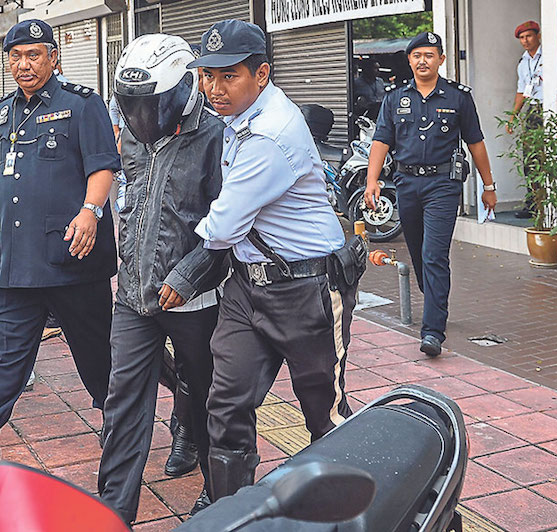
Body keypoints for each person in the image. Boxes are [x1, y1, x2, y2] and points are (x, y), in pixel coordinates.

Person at [189, 20, 360, 502]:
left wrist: (182, 275)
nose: (214, 89)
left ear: (261, 75)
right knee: (226, 401)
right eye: (208, 76)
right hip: (247, 288)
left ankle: (344, 507)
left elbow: (222, 228)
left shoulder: (270, 133)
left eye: (229, 76)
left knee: (322, 412)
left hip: (307, 291)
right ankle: (230, 507)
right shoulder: (235, 119)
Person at [0, 19, 120, 462]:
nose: (23, 64)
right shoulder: (4, 110)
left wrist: (91, 211)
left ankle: (117, 422)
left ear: (53, 56)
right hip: (17, 262)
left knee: (96, 352)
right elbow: (1, 180)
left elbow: (103, 165)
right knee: (4, 355)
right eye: (15, 56)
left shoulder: (83, 106)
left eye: (33, 54)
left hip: (70, 255)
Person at [97, 33, 227, 522]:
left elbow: (227, 228)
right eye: (131, 107)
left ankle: (220, 497)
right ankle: (113, 511)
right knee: (123, 402)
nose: (139, 119)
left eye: (149, 106)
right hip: (134, 296)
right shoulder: (132, 130)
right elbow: (132, 201)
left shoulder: (216, 135)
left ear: (182, 89)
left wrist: (189, 275)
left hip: (194, 299)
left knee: (210, 397)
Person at [364, 32, 497, 357]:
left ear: (441, 59)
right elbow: (381, 140)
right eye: (417, 55)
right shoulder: (395, 98)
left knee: (435, 255)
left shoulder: (458, 97)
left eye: (429, 54)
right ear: (409, 61)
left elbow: (475, 143)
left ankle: (433, 330)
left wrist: (488, 186)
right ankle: (434, 296)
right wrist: (372, 180)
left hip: (443, 186)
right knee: (419, 252)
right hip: (407, 184)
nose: (423, 60)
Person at [507, 20, 543, 218]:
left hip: (550, 109)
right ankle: (533, 202)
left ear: (538, 35)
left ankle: (548, 202)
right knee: (530, 158)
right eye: (522, 37)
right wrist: (513, 117)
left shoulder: (549, 56)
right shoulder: (523, 62)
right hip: (533, 110)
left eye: (529, 36)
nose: (525, 40)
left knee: (549, 157)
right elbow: (521, 91)